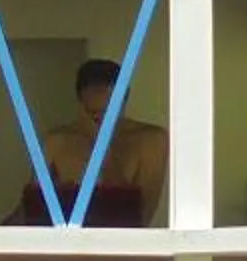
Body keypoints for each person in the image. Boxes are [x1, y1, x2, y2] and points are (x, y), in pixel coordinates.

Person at [13, 56, 167, 227]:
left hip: (122, 244)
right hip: (66, 242)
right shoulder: (58, 141)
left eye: (110, 111)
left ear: (124, 101)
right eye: (93, 113)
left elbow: (143, 214)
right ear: (81, 104)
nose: (102, 120)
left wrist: (104, 153)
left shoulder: (150, 140)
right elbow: (30, 208)